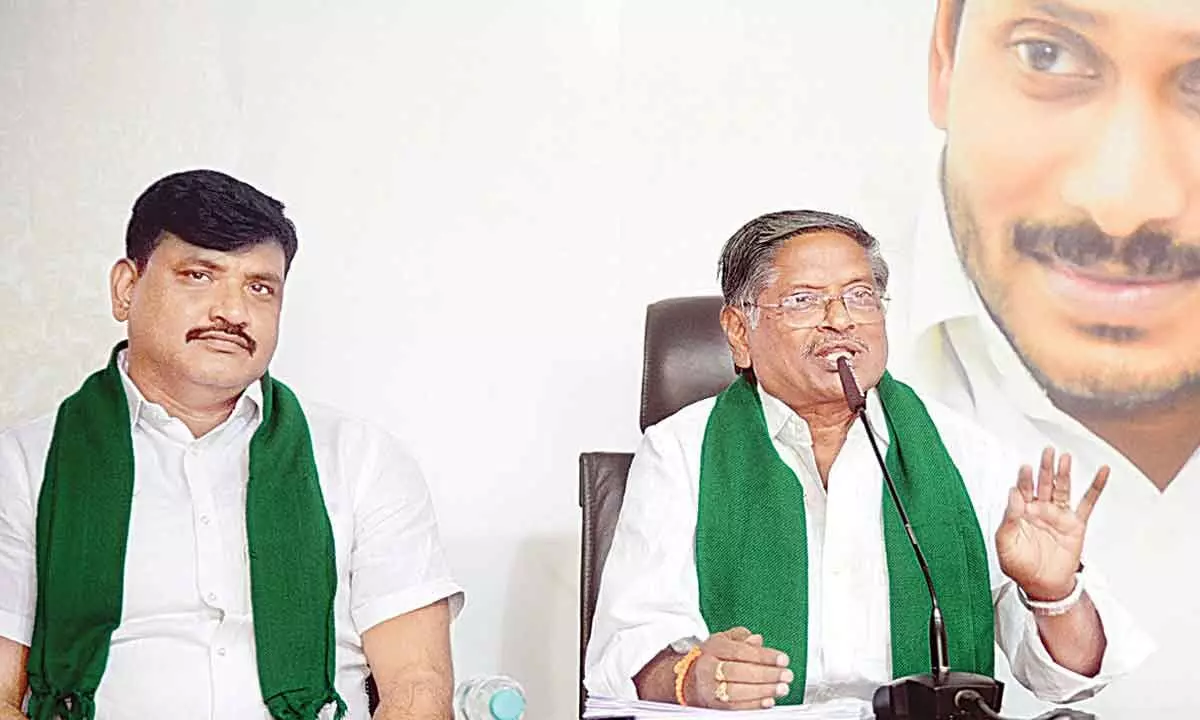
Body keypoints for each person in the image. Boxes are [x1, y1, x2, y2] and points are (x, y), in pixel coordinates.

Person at [584, 210, 1149, 710]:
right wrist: (692, 677)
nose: (841, 319)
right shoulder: (682, 451)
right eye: (805, 300)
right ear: (739, 332)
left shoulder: (961, 452)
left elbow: (1070, 678)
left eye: (860, 296)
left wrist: (1053, 595)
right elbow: (624, 651)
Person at [0, 170, 463, 720]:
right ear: (127, 288)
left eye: (260, 287)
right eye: (199, 275)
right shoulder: (26, 466)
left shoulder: (362, 460)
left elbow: (417, 688)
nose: (234, 311)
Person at [888, 0, 1200, 712]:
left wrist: (1057, 593)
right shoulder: (846, 398)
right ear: (945, 56)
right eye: (1048, 54)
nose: (1121, 204)